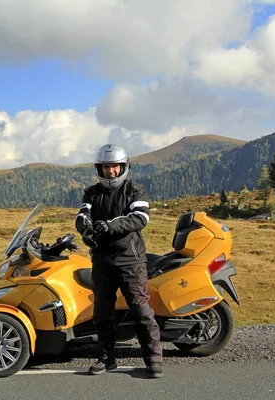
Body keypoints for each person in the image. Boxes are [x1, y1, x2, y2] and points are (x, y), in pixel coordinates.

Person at [75, 143, 163, 378]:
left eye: (114, 166)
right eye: (105, 167)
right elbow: (82, 215)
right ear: (99, 169)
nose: (110, 171)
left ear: (123, 167)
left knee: (141, 311)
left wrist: (109, 225)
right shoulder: (91, 193)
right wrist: (86, 230)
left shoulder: (135, 190)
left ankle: (153, 360)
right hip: (102, 261)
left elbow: (140, 218)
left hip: (130, 261)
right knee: (102, 313)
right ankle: (106, 358)